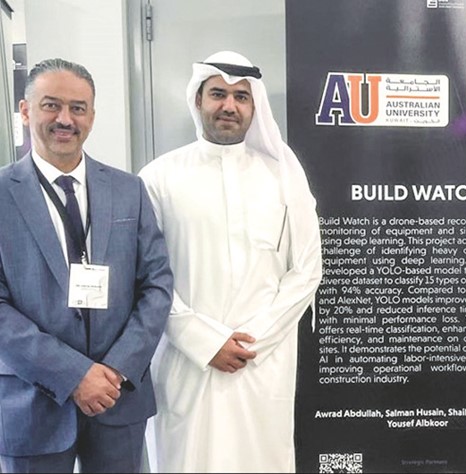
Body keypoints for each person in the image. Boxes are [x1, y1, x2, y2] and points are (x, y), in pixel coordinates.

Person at [139, 50, 322, 472]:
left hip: (261, 363)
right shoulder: (158, 177)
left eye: (241, 96)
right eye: (218, 94)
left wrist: (251, 342)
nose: (229, 105)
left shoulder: (284, 177)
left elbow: (306, 269)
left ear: (255, 106)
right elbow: (147, 275)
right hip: (186, 363)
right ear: (198, 99)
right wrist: (205, 342)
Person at [0, 58, 173, 473]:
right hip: (31, 402)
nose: (65, 119)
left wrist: (115, 369)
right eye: (51, 105)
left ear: (92, 116)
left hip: (118, 399)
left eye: (78, 108)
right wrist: (74, 375)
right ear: (25, 111)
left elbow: (157, 284)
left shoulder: (129, 190)